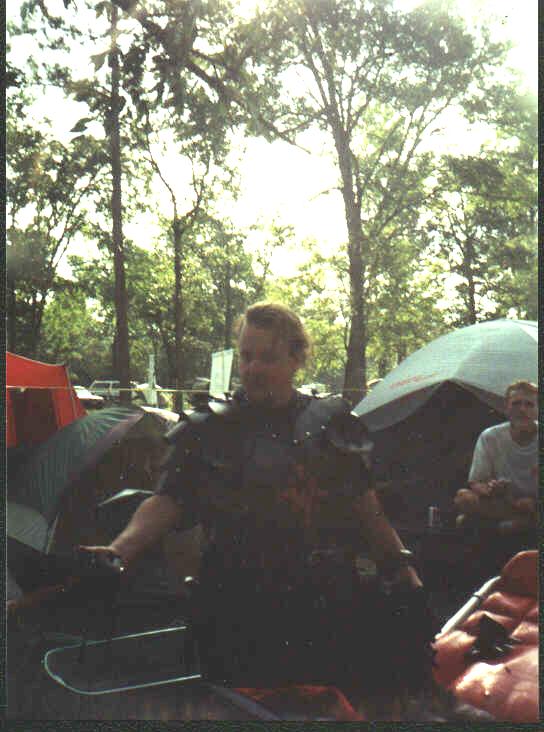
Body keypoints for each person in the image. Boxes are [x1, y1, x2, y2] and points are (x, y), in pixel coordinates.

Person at [81, 302, 435, 705]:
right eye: (246, 356)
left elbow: (367, 510)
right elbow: (167, 501)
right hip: (236, 610)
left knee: (322, 706)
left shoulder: (330, 423)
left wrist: (402, 570)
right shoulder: (211, 428)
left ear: (297, 358)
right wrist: (119, 550)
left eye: (267, 357)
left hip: (323, 607)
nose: (253, 369)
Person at [454, 380, 538, 533]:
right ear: (507, 407)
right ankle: (520, 521)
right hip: (506, 502)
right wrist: (490, 489)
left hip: (535, 504)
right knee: (464, 498)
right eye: (516, 404)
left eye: (529, 404)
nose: (522, 409)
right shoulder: (490, 436)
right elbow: (476, 482)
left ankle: (515, 523)